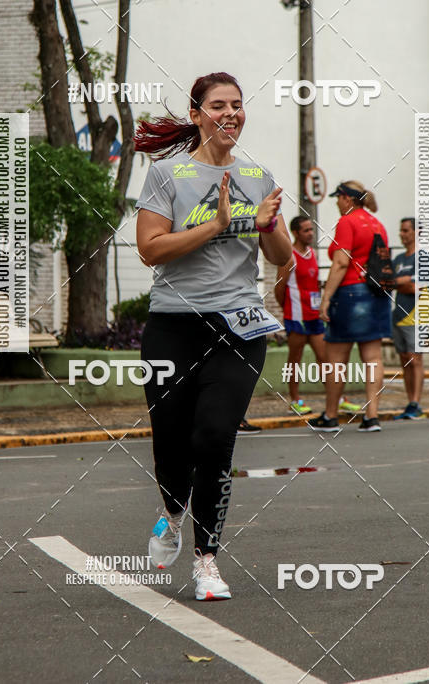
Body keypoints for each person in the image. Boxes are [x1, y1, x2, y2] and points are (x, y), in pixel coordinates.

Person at [134, 71, 292, 601]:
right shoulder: (166, 174)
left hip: (238, 325)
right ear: (198, 114)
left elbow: (281, 258)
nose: (230, 112)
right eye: (218, 104)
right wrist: (220, 223)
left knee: (214, 436)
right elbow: (150, 249)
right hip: (173, 326)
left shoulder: (258, 175)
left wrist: (268, 227)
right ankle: (172, 513)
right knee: (171, 444)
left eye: (237, 105)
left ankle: (207, 560)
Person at [310, 181, 391, 433]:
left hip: (350, 293)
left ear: (347, 199)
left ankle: (331, 415)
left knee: (336, 358)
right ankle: (372, 416)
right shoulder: (378, 224)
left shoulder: (347, 221)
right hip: (377, 294)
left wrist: (325, 299)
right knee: (373, 357)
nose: (336, 202)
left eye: (338, 198)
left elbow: (341, 263)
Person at [275, 215, 361, 417]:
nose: (310, 234)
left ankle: (339, 398)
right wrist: (288, 310)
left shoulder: (313, 253)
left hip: (314, 316)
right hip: (297, 317)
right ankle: (295, 401)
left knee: (325, 358)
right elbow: (279, 288)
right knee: (294, 360)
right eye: (306, 230)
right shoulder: (290, 256)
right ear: (296, 232)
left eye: (311, 229)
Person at [392, 217, 425, 419]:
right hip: (398, 313)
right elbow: (390, 282)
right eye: (401, 230)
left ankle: (416, 402)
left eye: (406, 230)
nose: (402, 234)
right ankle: (409, 402)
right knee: (404, 359)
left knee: (415, 359)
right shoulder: (398, 260)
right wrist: (402, 282)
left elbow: (416, 287)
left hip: (416, 315)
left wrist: (400, 282)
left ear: (415, 232)